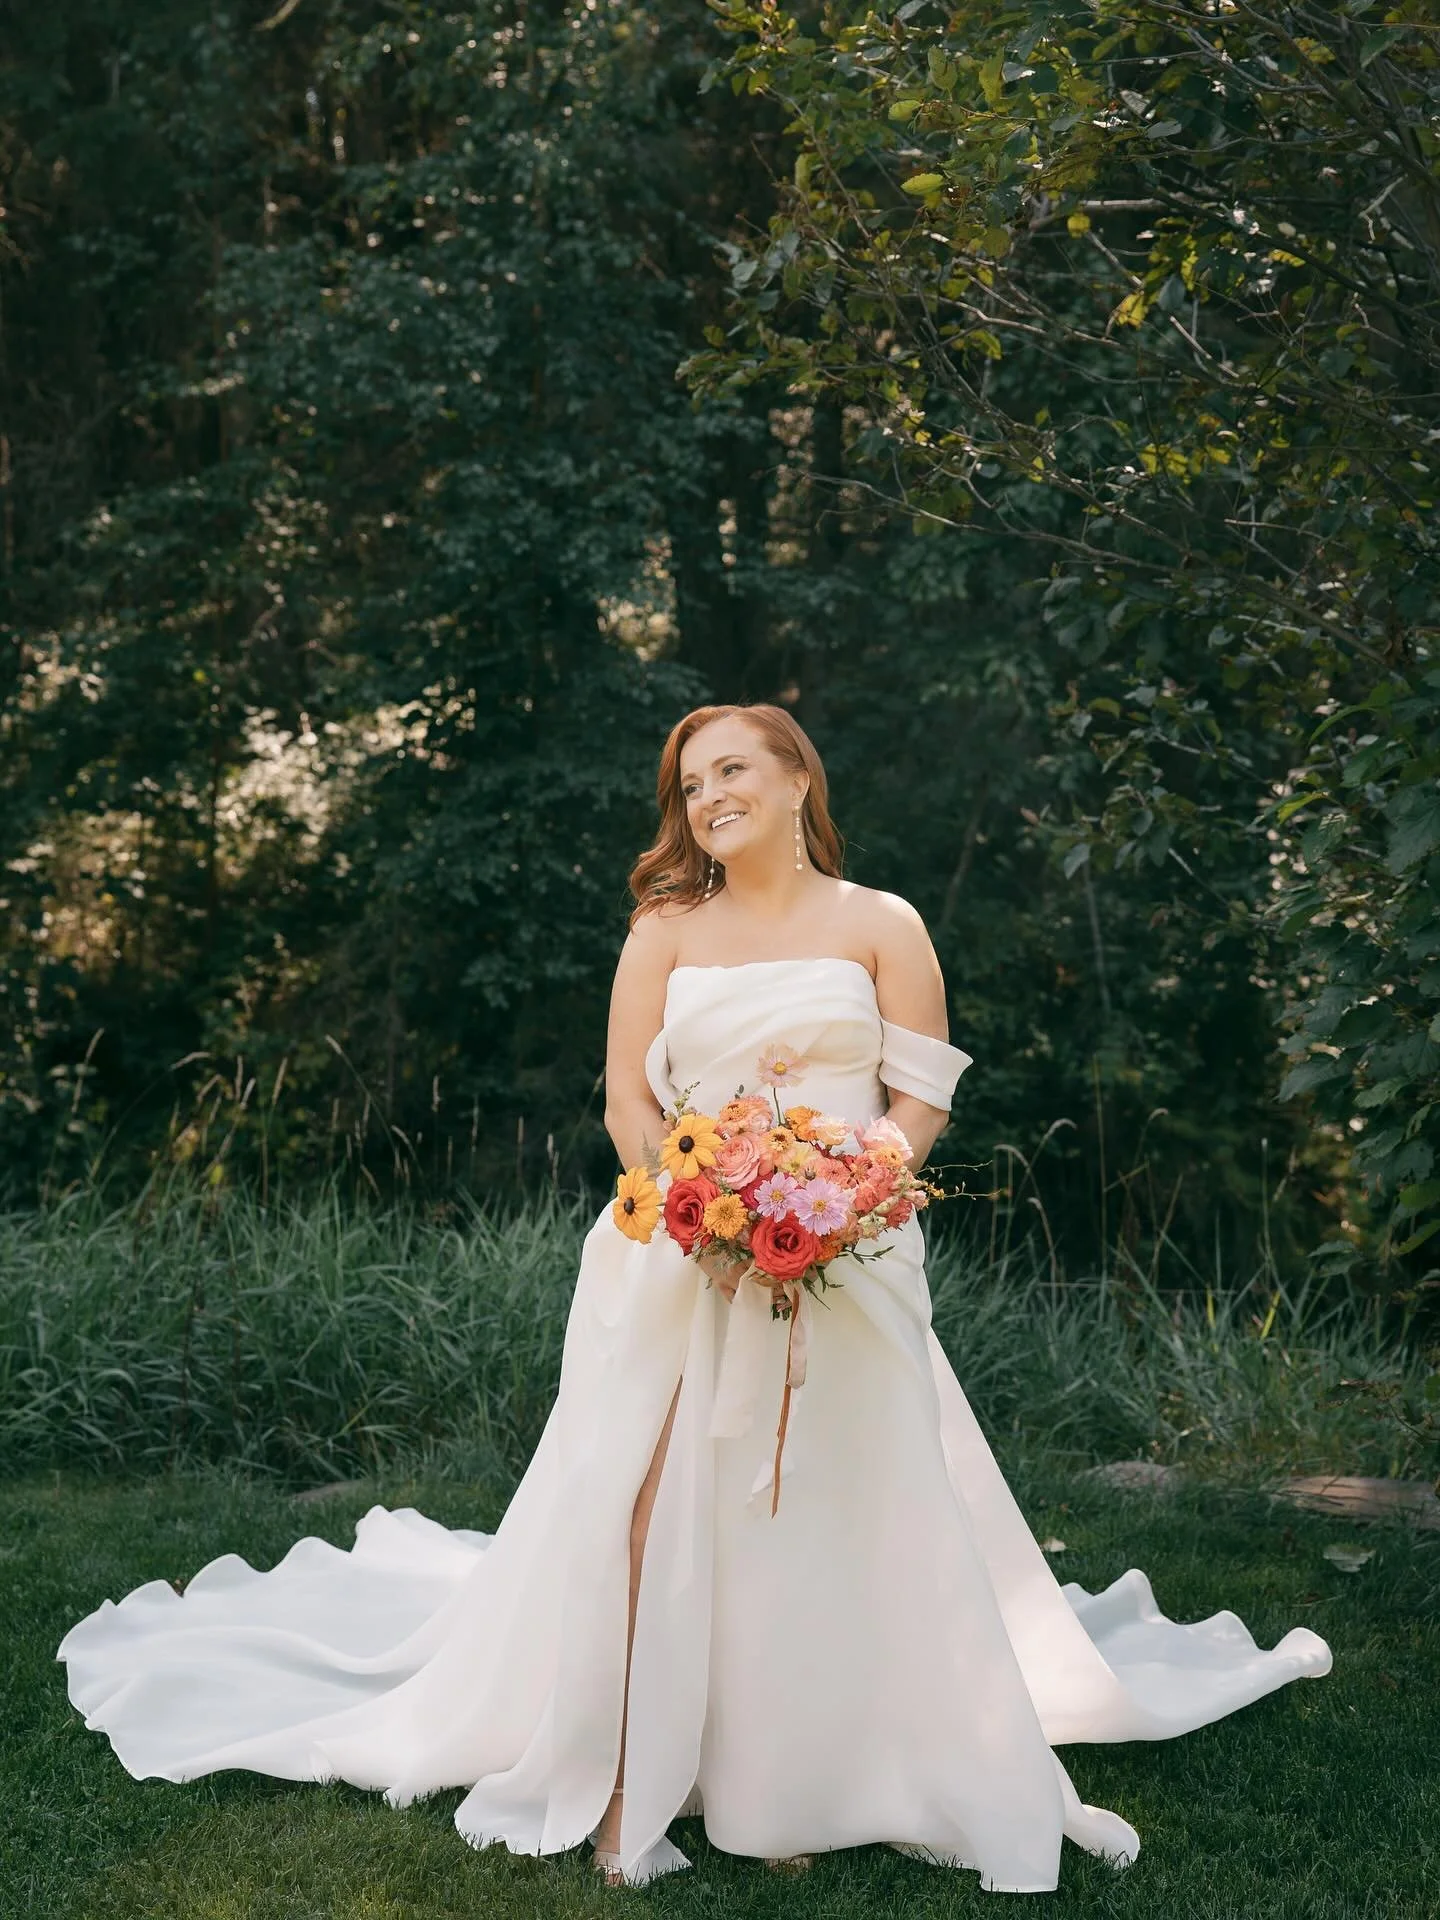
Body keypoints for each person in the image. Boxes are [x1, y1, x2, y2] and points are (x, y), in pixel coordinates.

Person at [58, 702, 1332, 1894]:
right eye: (690, 782)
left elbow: (921, 1095)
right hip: (681, 1241)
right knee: (652, 1495)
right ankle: (630, 1771)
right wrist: (690, 1197)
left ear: (794, 782)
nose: (709, 794)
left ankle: (808, 1772)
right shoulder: (665, 929)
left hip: (852, 1250)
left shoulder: (882, 920)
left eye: (732, 770)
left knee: (833, 1498)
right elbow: (626, 1096)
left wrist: (848, 1197)